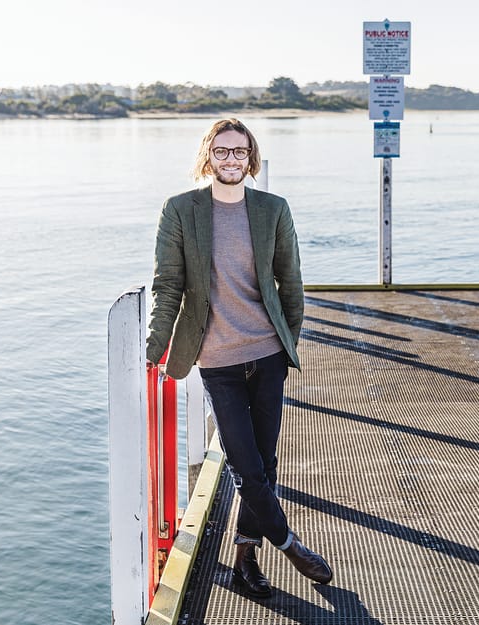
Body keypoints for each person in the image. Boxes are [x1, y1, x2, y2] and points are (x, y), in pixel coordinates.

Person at [146, 118, 332, 597]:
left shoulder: (272, 209)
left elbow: (290, 281)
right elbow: (168, 284)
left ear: (252, 158)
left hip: (266, 353)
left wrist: (288, 337)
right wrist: (155, 345)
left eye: (240, 152)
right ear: (208, 155)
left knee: (264, 464)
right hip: (217, 359)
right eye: (222, 151)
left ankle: (245, 562)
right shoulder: (181, 210)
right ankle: (289, 544)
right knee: (245, 466)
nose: (231, 160)